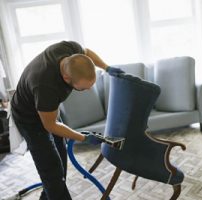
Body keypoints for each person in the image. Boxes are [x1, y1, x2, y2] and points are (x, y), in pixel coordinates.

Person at [10, 41, 124, 200]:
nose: (89, 90)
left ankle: (48, 196)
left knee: (60, 162)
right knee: (52, 170)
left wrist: (106, 67)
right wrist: (83, 137)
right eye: (83, 88)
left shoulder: (68, 49)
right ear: (66, 77)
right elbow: (50, 125)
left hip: (48, 109)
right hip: (29, 119)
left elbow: (87, 52)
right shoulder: (46, 86)